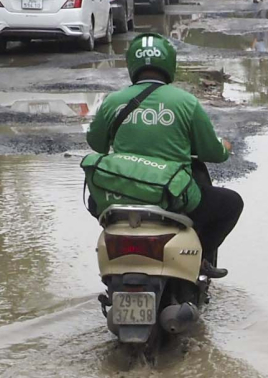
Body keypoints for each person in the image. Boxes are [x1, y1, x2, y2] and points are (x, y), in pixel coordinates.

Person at [85, 33, 242, 277]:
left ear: (132, 64)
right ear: (169, 64)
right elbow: (213, 152)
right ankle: (199, 257)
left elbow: (96, 144)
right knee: (232, 203)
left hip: (118, 195)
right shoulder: (185, 102)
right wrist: (225, 147)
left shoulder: (113, 101)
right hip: (170, 197)